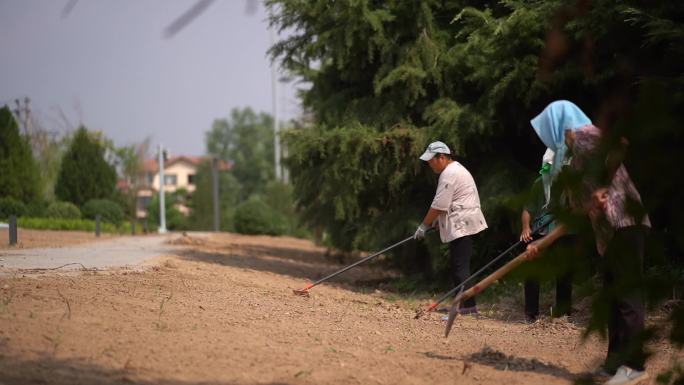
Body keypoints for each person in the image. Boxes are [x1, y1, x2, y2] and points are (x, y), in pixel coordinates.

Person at [526, 100, 651, 385]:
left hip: (626, 225)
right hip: (609, 237)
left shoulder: (584, 135)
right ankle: (614, 364)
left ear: (558, 125)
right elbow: (574, 216)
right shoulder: (575, 164)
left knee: (627, 298)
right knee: (612, 299)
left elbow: (620, 143)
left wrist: (605, 185)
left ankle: (634, 366)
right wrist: (539, 245)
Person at [414, 141, 488, 314]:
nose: (429, 164)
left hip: (463, 223)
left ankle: (468, 307)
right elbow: (449, 203)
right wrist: (438, 222)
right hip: (462, 221)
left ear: (441, 157)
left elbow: (439, 204)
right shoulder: (454, 170)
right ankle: (464, 305)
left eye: (431, 160)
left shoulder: (450, 173)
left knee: (460, 267)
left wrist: (424, 226)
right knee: (459, 266)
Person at [519, 148, 573, 321]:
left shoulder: (571, 185)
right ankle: (531, 314)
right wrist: (526, 228)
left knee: (564, 272)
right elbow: (528, 209)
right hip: (541, 230)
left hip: (565, 231)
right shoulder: (539, 183)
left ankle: (563, 314)